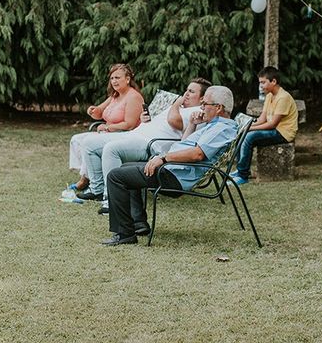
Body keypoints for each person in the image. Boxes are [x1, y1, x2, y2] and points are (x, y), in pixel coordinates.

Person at [101, 85, 238, 246]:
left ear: (218, 107)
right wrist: (193, 124)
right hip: (174, 169)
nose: (201, 107)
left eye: (205, 104)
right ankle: (138, 223)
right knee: (125, 169)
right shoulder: (213, 125)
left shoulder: (222, 129)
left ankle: (125, 234)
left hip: (175, 176)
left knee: (115, 176)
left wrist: (164, 158)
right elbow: (185, 144)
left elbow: (197, 154)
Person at [82, 78, 212, 214]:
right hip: (135, 134)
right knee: (89, 143)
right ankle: (97, 189)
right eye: (186, 90)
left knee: (111, 149)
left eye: (191, 92)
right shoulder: (181, 108)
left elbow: (174, 121)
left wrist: (175, 104)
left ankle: (113, 201)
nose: (186, 94)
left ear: (202, 98)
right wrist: (145, 122)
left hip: (150, 144)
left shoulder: (197, 113)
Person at [68, 64, 144, 193]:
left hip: (124, 135)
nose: (114, 81)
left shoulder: (133, 97)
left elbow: (130, 124)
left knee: (88, 143)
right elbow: (99, 113)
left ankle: (89, 181)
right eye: (112, 78)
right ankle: (87, 177)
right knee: (76, 139)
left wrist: (108, 127)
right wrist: (93, 110)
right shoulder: (115, 96)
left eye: (117, 77)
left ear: (127, 79)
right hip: (107, 133)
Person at [230, 66, 298, 185]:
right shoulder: (269, 96)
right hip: (274, 129)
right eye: (260, 82)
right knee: (243, 133)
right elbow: (262, 119)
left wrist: (250, 128)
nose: (261, 86)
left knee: (249, 136)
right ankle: (241, 170)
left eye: (263, 82)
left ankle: (243, 176)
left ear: (274, 81)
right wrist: (246, 125)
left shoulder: (283, 97)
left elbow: (272, 124)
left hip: (283, 133)